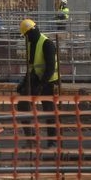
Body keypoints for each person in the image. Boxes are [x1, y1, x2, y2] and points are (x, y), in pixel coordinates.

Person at [16, 18, 59, 148]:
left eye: (26, 35)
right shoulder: (31, 44)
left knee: (49, 111)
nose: (26, 38)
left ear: (31, 32)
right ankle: (32, 140)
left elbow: (50, 68)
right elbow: (32, 67)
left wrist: (41, 85)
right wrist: (24, 83)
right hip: (35, 78)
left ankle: (53, 142)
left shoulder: (47, 44)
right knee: (23, 105)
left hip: (49, 81)